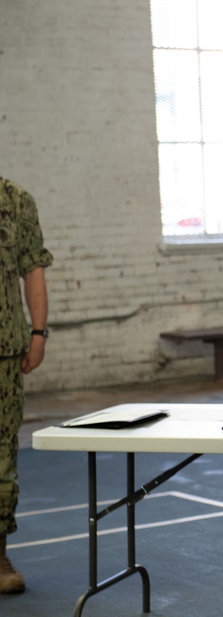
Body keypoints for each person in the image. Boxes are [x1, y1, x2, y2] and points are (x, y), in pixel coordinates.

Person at [0, 176, 52, 595]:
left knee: (1, 460)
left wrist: (39, 332)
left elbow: (33, 266)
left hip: (3, 350)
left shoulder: (15, 201)